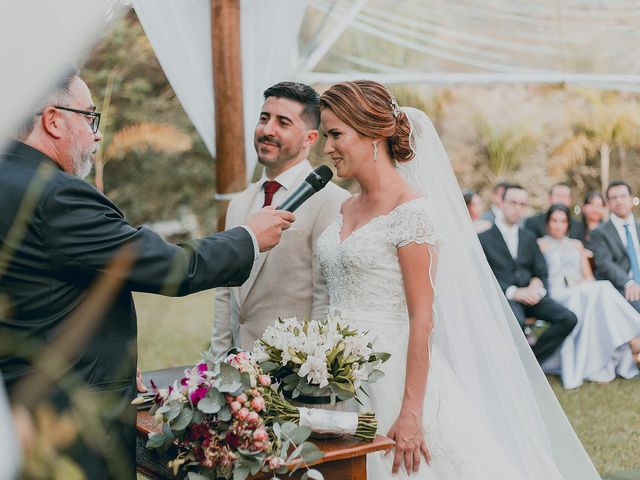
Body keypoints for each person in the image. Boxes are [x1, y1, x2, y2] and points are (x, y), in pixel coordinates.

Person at [0, 69, 294, 479]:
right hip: (69, 423)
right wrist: (247, 237)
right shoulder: (55, 193)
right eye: (89, 117)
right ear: (53, 120)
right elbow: (171, 266)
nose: (97, 134)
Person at [316, 80, 599, 479]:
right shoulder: (345, 206)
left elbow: (423, 318)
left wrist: (411, 411)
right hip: (335, 376)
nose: (326, 147)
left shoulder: (411, 211)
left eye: (335, 134)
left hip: (393, 376)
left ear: (373, 134)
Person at [210, 82, 348, 357]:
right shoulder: (239, 203)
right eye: (264, 118)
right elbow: (225, 294)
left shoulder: (332, 201)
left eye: (282, 122)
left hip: (294, 372)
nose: (267, 130)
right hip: (237, 373)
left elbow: (326, 298)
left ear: (310, 138)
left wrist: (313, 375)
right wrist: (216, 365)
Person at [538, 204, 640, 388]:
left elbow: (588, 276)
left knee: (598, 290)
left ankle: (619, 349)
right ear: (548, 223)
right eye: (555, 221)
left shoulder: (576, 245)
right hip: (558, 294)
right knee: (601, 290)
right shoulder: (541, 245)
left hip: (582, 290)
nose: (559, 225)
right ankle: (633, 338)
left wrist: (585, 285)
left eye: (563, 221)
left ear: (568, 224)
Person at [479, 185, 577, 363]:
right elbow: (481, 277)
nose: (518, 208)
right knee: (516, 321)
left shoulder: (529, 237)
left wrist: (537, 284)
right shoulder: (483, 239)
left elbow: (541, 271)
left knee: (568, 318)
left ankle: (531, 362)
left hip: (531, 297)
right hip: (503, 298)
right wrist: (514, 292)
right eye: (513, 202)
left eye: (522, 204)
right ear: (502, 203)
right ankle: (511, 365)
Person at [589, 181, 640, 314]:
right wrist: (629, 283)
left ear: (631, 199)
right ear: (608, 203)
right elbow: (605, 264)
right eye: (614, 198)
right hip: (623, 287)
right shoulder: (599, 233)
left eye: (623, 196)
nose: (619, 201)